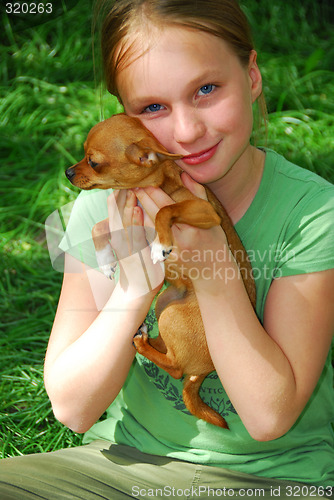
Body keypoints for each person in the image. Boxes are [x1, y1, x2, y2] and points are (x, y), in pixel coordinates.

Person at [0, 0, 333, 498]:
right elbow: (73, 408)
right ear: (124, 118)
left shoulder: (312, 213)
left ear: (253, 75)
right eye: (152, 107)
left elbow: (268, 418)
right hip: (120, 466)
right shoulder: (102, 207)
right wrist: (135, 285)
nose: (186, 131)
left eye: (206, 89)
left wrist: (214, 267)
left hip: (273, 479)